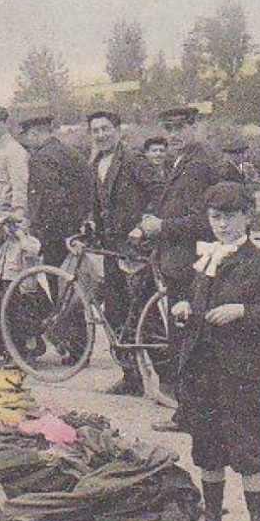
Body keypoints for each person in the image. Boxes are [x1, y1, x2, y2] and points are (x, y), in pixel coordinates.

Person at [168, 182, 260, 521]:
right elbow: (199, 300)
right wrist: (187, 305)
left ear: (247, 217)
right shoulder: (206, 259)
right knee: (207, 447)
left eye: (230, 217)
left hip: (242, 373)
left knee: (249, 451)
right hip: (203, 370)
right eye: (215, 217)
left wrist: (242, 311)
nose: (222, 225)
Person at [87, 109, 159, 396]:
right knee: (116, 311)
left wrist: (145, 225)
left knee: (144, 311)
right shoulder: (95, 163)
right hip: (111, 248)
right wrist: (90, 221)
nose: (101, 135)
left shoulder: (132, 160)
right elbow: (98, 203)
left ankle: (164, 378)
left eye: (106, 129)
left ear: (117, 130)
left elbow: (159, 191)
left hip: (135, 247)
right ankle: (131, 377)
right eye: (96, 131)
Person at [131, 105, 228, 305]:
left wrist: (161, 226)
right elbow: (174, 205)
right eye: (169, 129)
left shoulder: (197, 165)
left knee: (184, 326)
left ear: (194, 127)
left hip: (188, 264)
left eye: (180, 128)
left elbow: (203, 220)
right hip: (179, 260)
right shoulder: (182, 159)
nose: (173, 135)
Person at [21, 113, 92, 267]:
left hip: (54, 236)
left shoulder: (40, 158)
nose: (27, 142)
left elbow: (48, 201)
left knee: (54, 281)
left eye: (26, 136)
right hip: (78, 230)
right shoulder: (71, 152)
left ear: (33, 134)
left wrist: (37, 232)